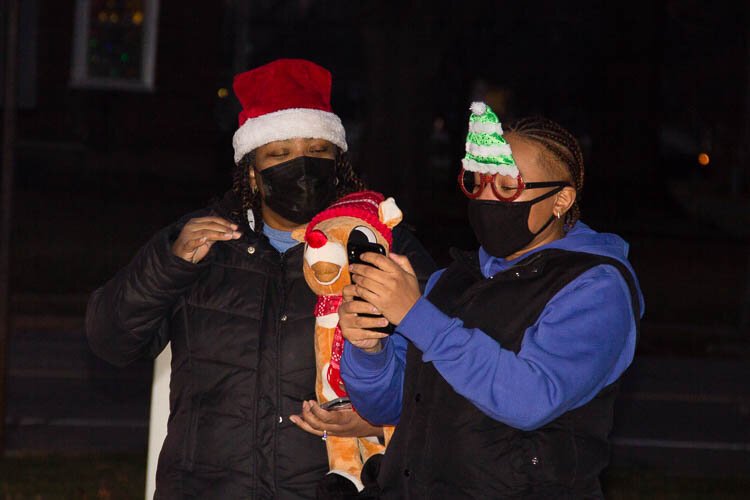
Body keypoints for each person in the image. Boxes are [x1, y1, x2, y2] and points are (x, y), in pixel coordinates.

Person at [85, 58, 435, 499]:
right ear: (252, 168)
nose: (302, 166)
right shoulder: (202, 244)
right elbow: (110, 340)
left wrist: (381, 417)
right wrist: (168, 263)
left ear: (338, 161)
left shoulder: (381, 242)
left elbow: (443, 361)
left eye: (317, 150)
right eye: (280, 154)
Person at [338, 103, 644, 499]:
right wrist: (369, 349)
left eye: (507, 186)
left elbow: (531, 398)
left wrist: (416, 315)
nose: (487, 197)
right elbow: (390, 406)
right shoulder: (453, 279)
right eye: (477, 182)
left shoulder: (595, 286)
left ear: (561, 200)